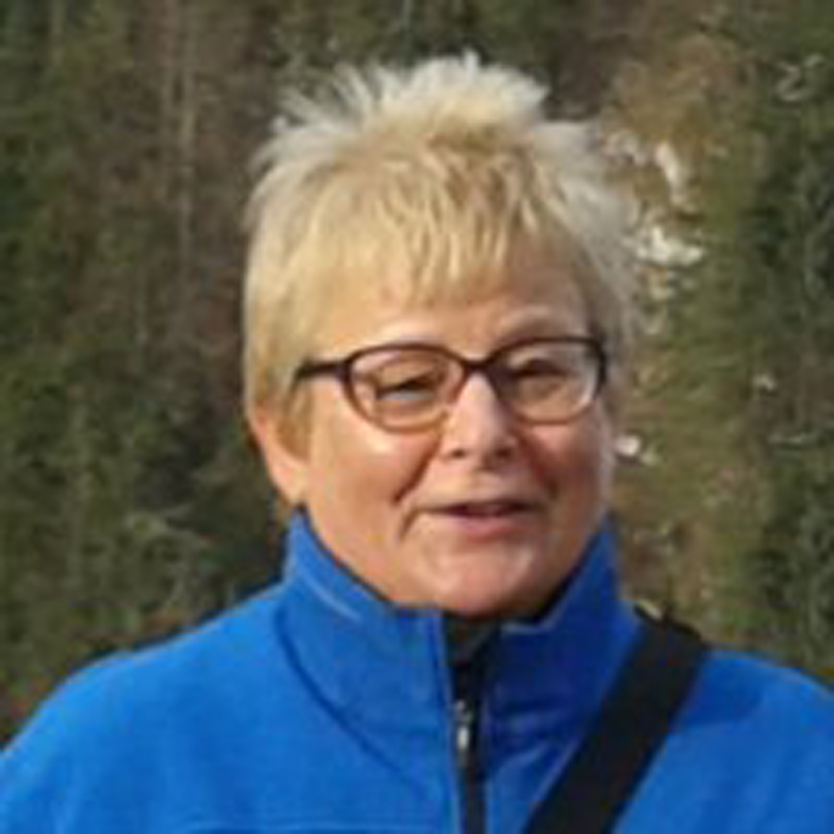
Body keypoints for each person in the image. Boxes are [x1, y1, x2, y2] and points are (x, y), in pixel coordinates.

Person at [1, 54, 833, 833]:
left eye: (536, 371)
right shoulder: (110, 776)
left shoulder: (792, 772)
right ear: (284, 436)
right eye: (405, 384)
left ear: (612, 404)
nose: (481, 432)